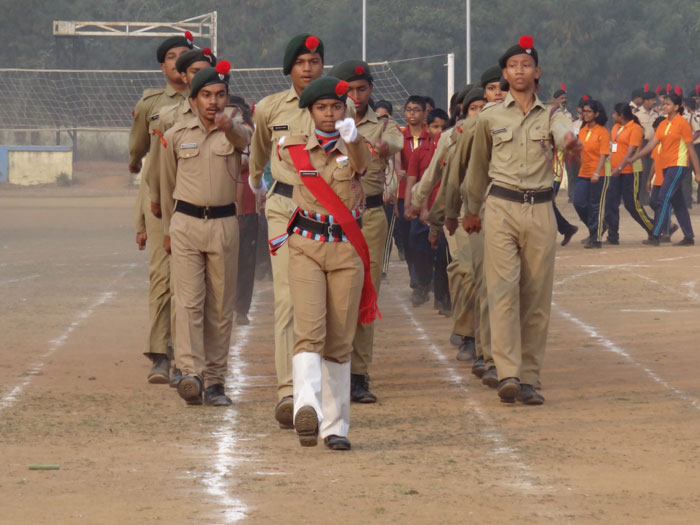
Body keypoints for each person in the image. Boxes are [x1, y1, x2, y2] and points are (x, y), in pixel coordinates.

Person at [463, 35, 581, 405]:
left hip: (541, 209)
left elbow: (564, 134)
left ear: (537, 72)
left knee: (535, 296)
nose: (519, 71)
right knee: (502, 292)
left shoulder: (552, 114)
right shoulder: (489, 117)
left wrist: (570, 141)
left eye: (526, 65)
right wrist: (469, 209)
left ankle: (529, 376)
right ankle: (508, 373)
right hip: (500, 207)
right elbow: (477, 168)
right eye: (513, 66)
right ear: (504, 73)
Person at [266, 76, 374, 450]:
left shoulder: (355, 143)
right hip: (307, 246)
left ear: (347, 110)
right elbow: (281, 169)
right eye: (322, 108)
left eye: (337, 107)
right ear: (310, 112)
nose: (330, 114)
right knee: (309, 330)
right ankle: (306, 407)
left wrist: (353, 136)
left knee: (340, 340)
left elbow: (364, 167)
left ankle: (336, 428)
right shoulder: (292, 147)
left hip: (346, 249)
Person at [160, 62, 253, 406]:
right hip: (184, 223)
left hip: (224, 225)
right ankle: (191, 374)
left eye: (220, 95)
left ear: (227, 97)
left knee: (220, 306)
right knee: (187, 303)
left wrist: (229, 126)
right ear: (194, 99)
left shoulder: (237, 130)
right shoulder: (176, 134)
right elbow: (165, 182)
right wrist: (168, 228)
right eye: (206, 95)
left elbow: (247, 141)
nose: (213, 102)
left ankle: (216, 381)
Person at [248, 34, 325, 428]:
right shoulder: (269, 109)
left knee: (322, 301)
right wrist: (255, 184)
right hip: (283, 207)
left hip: (328, 211)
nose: (308, 68)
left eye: (314, 61)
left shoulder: (334, 108)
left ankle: (319, 389)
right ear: (288, 68)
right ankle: (288, 391)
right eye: (301, 62)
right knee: (288, 299)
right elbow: (259, 153)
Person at [327, 60, 403, 403]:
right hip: (329, 219)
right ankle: (328, 370)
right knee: (328, 296)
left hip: (369, 217)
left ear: (371, 90)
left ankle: (358, 374)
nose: (356, 96)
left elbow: (393, 142)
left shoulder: (383, 124)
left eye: (362, 89)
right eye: (349, 90)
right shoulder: (325, 120)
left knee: (364, 296)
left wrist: (384, 148)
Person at [130, 33, 192, 384]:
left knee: (194, 284)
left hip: (199, 198)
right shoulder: (151, 104)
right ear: (163, 65)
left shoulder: (211, 101)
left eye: (186, 56)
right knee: (162, 278)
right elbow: (141, 158)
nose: (179, 63)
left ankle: (190, 355)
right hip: (159, 203)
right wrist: (141, 217)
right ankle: (159, 353)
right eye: (172, 56)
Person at [627, 91, 700, 246]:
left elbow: (691, 149)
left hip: (678, 165)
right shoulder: (663, 124)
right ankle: (689, 236)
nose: (664, 107)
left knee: (663, 198)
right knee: (678, 202)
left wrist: (698, 173)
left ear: (677, 106)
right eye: (663, 104)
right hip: (667, 167)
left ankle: (656, 234)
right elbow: (652, 145)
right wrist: (635, 157)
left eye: (667, 104)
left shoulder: (682, 124)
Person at [404, 108, 450, 310]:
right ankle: (422, 284)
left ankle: (442, 297)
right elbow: (415, 181)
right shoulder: (419, 153)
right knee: (417, 247)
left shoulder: (452, 150)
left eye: (443, 127)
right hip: (423, 207)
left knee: (443, 255)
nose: (439, 131)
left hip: (446, 211)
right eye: (435, 127)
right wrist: (410, 206)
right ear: (427, 128)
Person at [606, 103, 654, 243]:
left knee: (631, 204)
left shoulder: (635, 128)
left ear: (622, 115)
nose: (613, 116)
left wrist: (620, 168)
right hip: (615, 171)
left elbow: (631, 151)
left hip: (630, 171)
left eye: (615, 113)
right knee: (611, 203)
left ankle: (653, 229)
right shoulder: (615, 128)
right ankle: (613, 236)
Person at [230, 96, 258, 327]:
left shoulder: (249, 132)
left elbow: (244, 164)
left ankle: (241, 309)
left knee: (245, 261)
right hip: (221, 203)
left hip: (247, 205)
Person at [394, 96, 429, 278]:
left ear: (424, 114)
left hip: (427, 196)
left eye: (416, 109)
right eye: (409, 109)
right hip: (403, 195)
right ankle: (415, 277)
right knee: (407, 240)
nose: (412, 113)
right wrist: (398, 170)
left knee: (422, 239)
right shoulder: (399, 135)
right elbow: (397, 159)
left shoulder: (430, 136)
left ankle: (424, 277)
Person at [574, 99, 611, 249]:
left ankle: (596, 238)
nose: (585, 114)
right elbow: (578, 152)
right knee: (579, 203)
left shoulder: (602, 132)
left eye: (589, 111)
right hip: (584, 172)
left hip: (599, 173)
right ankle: (597, 227)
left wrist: (596, 172)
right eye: (584, 111)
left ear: (596, 114)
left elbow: (603, 155)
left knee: (596, 206)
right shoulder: (582, 131)